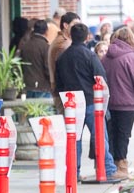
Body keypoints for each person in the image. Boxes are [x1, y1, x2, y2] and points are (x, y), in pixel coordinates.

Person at [55, 23, 126, 181]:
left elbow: (58, 83)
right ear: (87, 37)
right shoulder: (89, 55)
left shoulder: (62, 57)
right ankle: (108, 168)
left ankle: (74, 172)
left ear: (71, 35)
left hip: (71, 103)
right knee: (100, 136)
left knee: (75, 139)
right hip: (91, 101)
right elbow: (100, 77)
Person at [101, 27, 134, 178]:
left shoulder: (105, 58)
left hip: (108, 103)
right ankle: (121, 166)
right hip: (127, 104)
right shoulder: (130, 57)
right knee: (123, 136)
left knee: (111, 134)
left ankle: (112, 165)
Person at [48, 11, 81, 113]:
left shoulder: (63, 41)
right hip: (64, 92)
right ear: (65, 25)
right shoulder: (64, 44)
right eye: (75, 25)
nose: (77, 28)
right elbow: (67, 70)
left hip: (62, 91)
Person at [19, 19, 51, 98]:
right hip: (42, 87)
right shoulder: (46, 47)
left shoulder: (25, 45)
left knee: (30, 110)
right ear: (46, 31)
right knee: (44, 110)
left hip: (27, 85)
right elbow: (48, 68)